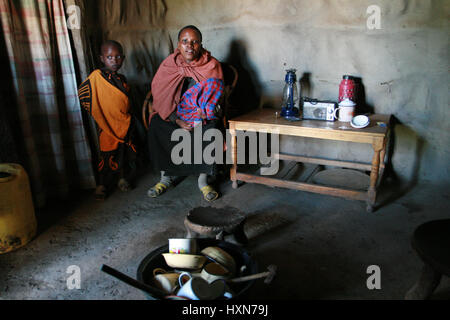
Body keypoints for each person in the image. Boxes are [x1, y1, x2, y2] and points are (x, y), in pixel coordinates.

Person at [147, 25, 225, 202]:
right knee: (157, 124)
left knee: (210, 128)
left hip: (201, 116)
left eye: (194, 42)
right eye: (185, 41)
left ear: (201, 45)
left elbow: (219, 97)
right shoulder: (169, 64)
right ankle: (165, 178)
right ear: (178, 44)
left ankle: (203, 181)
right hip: (175, 115)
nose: (190, 46)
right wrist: (177, 120)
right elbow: (159, 96)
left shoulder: (211, 65)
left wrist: (206, 113)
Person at [78, 40, 137, 200]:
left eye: (118, 56)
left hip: (124, 122)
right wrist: (98, 113)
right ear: (102, 58)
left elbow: (126, 100)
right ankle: (102, 185)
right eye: (110, 57)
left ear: (123, 58)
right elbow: (83, 93)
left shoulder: (122, 78)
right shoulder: (96, 77)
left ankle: (122, 179)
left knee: (124, 153)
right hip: (106, 125)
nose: (114, 60)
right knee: (106, 156)